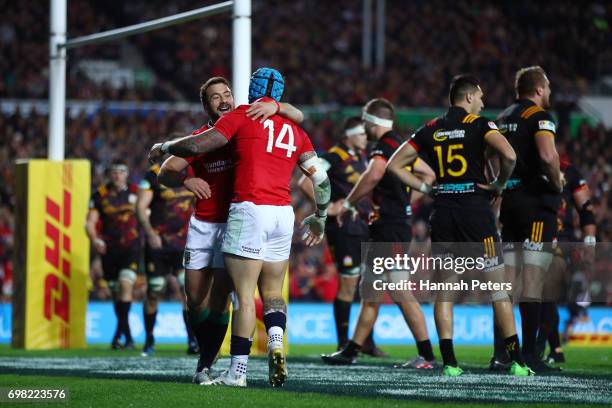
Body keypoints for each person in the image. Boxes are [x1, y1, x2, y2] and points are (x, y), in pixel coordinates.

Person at [149, 68, 328, 388]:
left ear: (239, 95)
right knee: (195, 301)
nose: (223, 100)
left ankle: (210, 364)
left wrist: (277, 106)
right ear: (206, 106)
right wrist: (188, 179)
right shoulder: (208, 133)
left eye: (226, 94)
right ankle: (233, 351)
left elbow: (295, 116)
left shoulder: (247, 121)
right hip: (209, 223)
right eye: (215, 97)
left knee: (226, 299)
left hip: (238, 220)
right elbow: (166, 172)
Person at [387, 75, 533, 376]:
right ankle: (517, 361)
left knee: (445, 292)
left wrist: (427, 189)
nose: (483, 101)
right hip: (476, 213)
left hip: (444, 214)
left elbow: (394, 165)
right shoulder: (480, 124)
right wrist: (499, 184)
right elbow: (509, 154)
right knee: (498, 290)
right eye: (480, 96)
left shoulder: (430, 128)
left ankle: (450, 364)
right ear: (467, 98)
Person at [321, 98, 437, 369]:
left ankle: (427, 355)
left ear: (372, 121)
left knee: (398, 291)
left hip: (389, 228)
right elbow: (428, 174)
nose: (363, 125)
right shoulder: (401, 144)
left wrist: (348, 203)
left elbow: (374, 175)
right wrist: (410, 202)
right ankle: (351, 350)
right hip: (390, 226)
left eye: (365, 119)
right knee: (370, 291)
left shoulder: (384, 146)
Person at [495, 66, 563, 373]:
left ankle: (501, 355)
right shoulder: (540, 117)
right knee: (533, 279)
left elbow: (491, 158)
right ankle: (532, 356)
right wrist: (558, 183)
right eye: (547, 87)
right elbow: (548, 156)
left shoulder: (502, 117)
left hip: (510, 203)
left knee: (508, 279)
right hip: (536, 204)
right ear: (538, 89)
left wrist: (499, 186)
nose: (549, 92)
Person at [297, 116, 382, 355]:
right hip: (345, 230)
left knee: (369, 286)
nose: (366, 137)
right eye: (362, 134)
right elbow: (305, 181)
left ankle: (366, 341)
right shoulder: (334, 156)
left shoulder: (364, 157)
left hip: (366, 227)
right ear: (349, 135)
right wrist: (325, 208)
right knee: (348, 284)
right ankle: (344, 343)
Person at [535, 160, 597, 364]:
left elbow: (586, 208)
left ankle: (537, 349)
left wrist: (589, 242)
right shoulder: (529, 165)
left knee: (546, 292)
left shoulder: (570, 170)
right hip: (535, 236)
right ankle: (555, 349)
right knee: (543, 298)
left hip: (562, 239)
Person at [136, 159, 197, 356]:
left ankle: (192, 340)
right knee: (155, 290)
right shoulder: (153, 175)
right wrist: (150, 233)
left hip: (184, 243)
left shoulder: (193, 172)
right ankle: (149, 339)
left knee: (186, 291)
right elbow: (140, 207)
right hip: (159, 243)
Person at [85, 160, 140, 350]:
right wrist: (95, 240)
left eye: (121, 172)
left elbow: (146, 213)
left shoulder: (137, 191)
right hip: (109, 250)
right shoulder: (99, 195)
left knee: (126, 285)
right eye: (114, 172)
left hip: (131, 247)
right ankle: (127, 337)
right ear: (110, 175)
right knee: (116, 293)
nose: (117, 175)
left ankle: (118, 335)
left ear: (127, 174)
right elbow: (90, 222)